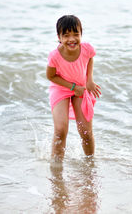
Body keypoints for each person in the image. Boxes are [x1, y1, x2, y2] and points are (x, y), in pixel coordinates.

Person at [46, 15, 101, 164]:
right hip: (61, 88)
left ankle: (90, 164)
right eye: (66, 35)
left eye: (76, 34)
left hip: (81, 87)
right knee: (60, 130)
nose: (72, 39)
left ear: (81, 34)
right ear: (59, 37)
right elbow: (50, 76)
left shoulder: (86, 48)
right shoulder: (54, 56)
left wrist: (89, 80)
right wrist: (72, 87)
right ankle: (56, 167)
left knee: (86, 132)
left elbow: (90, 58)